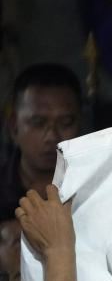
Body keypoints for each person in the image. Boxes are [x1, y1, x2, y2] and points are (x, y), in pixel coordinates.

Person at [0, 64, 82, 222]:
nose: (52, 136)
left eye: (65, 123)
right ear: (14, 127)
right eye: (38, 123)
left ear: (80, 125)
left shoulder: (98, 190)